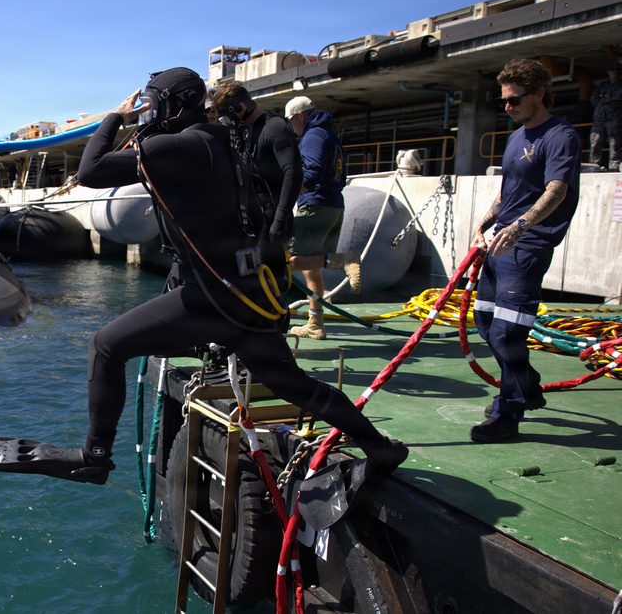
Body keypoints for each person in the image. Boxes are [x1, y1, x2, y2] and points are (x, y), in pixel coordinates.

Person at [67, 67, 407, 483]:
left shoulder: (181, 147)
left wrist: (114, 118)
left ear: (172, 106)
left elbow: (90, 171)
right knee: (292, 383)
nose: (146, 115)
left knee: (106, 347)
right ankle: (378, 446)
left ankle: (95, 456)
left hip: (214, 297)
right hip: (248, 295)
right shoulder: (213, 140)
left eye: (152, 107)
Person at [469, 58, 581, 442]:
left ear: (538, 95)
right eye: (505, 100)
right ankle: (527, 386)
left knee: (507, 333)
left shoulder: (559, 135)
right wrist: (485, 223)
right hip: (500, 243)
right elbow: (509, 190)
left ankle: (508, 415)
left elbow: (556, 189)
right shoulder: (517, 136)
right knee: (486, 324)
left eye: (515, 100)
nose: (508, 107)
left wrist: (520, 227)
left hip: (527, 246)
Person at [284, 96, 361, 341]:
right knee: (312, 267)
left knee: (285, 262)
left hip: (316, 206)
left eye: (291, 121)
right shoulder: (330, 135)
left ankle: (342, 261)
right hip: (334, 206)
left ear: (300, 116)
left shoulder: (313, 136)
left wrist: (286, 194)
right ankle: (316, 323)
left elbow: (312, 171)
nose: (292, 128)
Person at [211, 80, 302, 246]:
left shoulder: (274, 127)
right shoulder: (247, 133)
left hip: (274, 219)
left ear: (240, 108)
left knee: (271, 271)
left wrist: (280, 220)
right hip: (255, 219)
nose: (227, 122)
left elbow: (293, 172)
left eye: (226, 117)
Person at [590, 62, 622, 171]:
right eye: (612, 69)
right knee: (596, 141)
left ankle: (614, 166)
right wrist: (608, 99)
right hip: (599, 118)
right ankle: (594, 165)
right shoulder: (602, 85)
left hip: (614, 118)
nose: (614, 71)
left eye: (617, 69)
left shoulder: (620, 85)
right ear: (608, 71)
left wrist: (608, 98)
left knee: (615, 143)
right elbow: (593, 100)